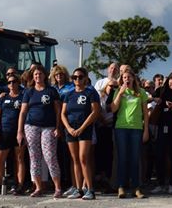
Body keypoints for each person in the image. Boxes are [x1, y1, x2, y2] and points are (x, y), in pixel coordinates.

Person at [20, 63, 63, 197]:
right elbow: (23, 112)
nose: (38, 76)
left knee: (50, 156)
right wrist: (19, 131)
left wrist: (58, 127)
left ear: (45, 75)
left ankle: (58, 188)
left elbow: (58, 111)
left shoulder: (51, 91)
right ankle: (38, 187)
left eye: (40, 74)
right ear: (33, 76)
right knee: (34, 157)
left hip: (48, 127)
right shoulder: (29, 92)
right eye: (35, 74)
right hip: (31, 126)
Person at [61, 67, 101, 200]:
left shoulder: (91, 93)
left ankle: (90, 189)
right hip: (70, 130)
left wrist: (82, 128)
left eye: (80, 77)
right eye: (74, 77)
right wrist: (68, 128)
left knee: (83, 158)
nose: (77, 79)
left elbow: (95, 112)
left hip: (85, 129)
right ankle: (78, 189)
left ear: (85, 78)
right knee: (75, 160)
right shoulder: (69, 94)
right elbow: (63, 113)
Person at [111, 67, 150, 198]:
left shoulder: (141, 92)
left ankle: (136, 187)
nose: (127, 79)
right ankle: (121, 186)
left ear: (133, 78)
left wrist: (146, 131)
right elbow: (113, 109)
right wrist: (120, 93)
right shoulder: (118, 91)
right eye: (124, 78)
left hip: (137, 128)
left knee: (135, 159)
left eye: (129, 77)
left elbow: (145, 113)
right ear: (122, 80)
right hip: (121, 128)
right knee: (122, 158)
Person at [151, 70, 172, 195]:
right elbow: (149, 97)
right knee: (159, 154)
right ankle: (160, 183)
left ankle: (171, 184)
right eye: (170, 82)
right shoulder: (162, 90)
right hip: (162, 126)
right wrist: (156, 99)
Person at [0, 72, 26, 194]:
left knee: (19, 159)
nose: (11, 84)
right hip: (4, 131)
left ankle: (20, 185)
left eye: (14, 81)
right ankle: (0, 184)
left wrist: (21, 131)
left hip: (18, 132)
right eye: (9, 82)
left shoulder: (23, 96)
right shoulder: (3, 97)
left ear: (18, 83)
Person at [93, 62, 119, 191]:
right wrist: (101, 120)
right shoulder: (99, 85)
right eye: (111, 67)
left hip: (112, 127)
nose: (113, 70)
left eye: (116, 68)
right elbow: (97, 106)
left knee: (110, 155)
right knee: (100, 153)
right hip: (100, 125)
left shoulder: (118, 92)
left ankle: (108, 180)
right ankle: (99, 178)